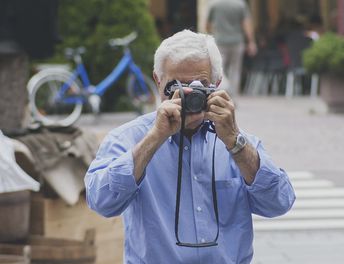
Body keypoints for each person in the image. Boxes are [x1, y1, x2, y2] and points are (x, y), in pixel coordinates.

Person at [85, 29, 295, 264]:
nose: (187, 95)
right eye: (176, 85)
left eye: (199, 85)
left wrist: (235, 143)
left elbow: (279, 203)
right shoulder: (129, 138)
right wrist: (155, 138)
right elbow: (101, 202)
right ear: (158, 81)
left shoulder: (236, 139)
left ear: (216, 84)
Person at [206, 0, 257, 98]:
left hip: (219, 42)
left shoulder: (214, 3)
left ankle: (222, 93)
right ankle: (233, 98)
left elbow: (208, 24)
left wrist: (211, 36)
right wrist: (251, 41)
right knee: (235, 71)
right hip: (237, 42)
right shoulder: (240, 4)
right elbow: (246, 23)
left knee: (218, 70)